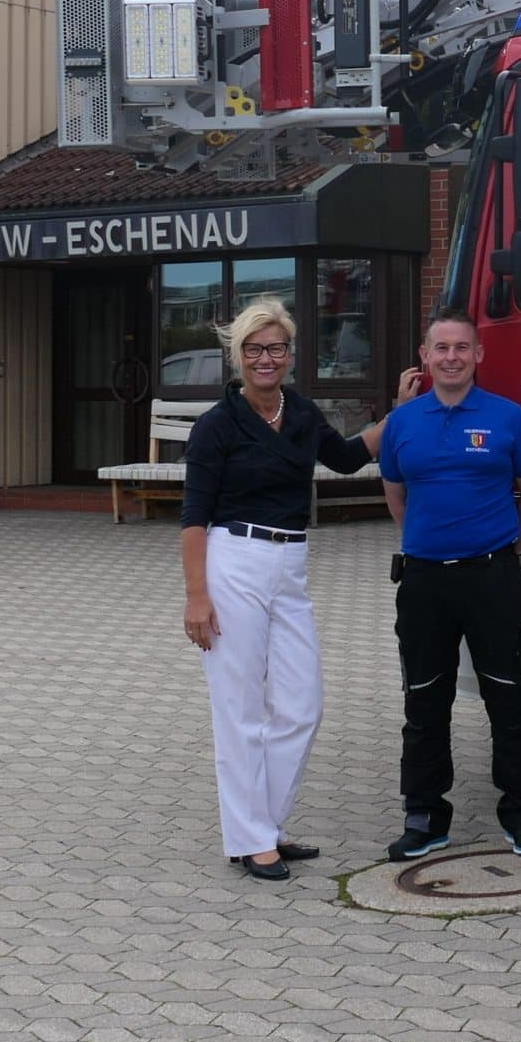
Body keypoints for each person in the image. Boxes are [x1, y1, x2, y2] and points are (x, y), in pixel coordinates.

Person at [180, 298, 420, 882]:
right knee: (238, 711)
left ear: (289, 354)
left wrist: (398, 414)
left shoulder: (301, 412)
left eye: (276, 348)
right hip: (233, 560)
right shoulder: (218, 425)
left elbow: (342, 460)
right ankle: (252, 838)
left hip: (291, 565)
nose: (266, 358)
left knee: (301, 704)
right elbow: (193, 516)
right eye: (254, 349)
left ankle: (265, 824)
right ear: (238, 357)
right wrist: (196, 595)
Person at [377, 307, 521, 860]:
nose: (450, 357)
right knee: (425, 700)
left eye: (461, 347)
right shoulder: (403, 422)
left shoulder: (510, 418)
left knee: (511, 698)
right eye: (440, 348)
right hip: (424, 582)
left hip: (494, 578)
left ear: (479, 355)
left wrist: (495, 551)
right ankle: (425, 815)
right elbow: (396, 498)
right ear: (425, 358)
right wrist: (435, 546)